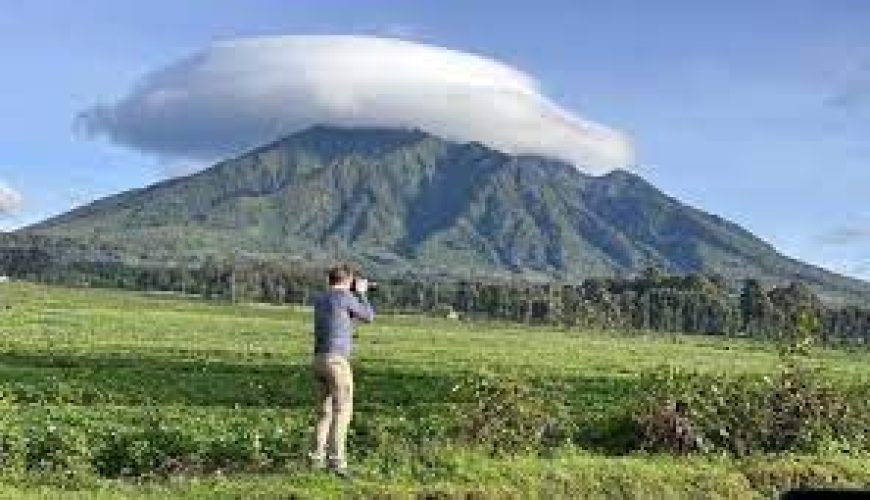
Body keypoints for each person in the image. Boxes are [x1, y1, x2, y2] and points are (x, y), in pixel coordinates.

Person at [309, 264, 374, 478]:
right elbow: (368, 316)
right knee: (342, 411)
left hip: (318, 359)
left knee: (323, 413)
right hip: (337, 361)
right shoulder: (346, 297)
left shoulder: (321, 299)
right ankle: (337, 463)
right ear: (348, 280)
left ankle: (315, 460)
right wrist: (362, 294)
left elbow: (342, 320)